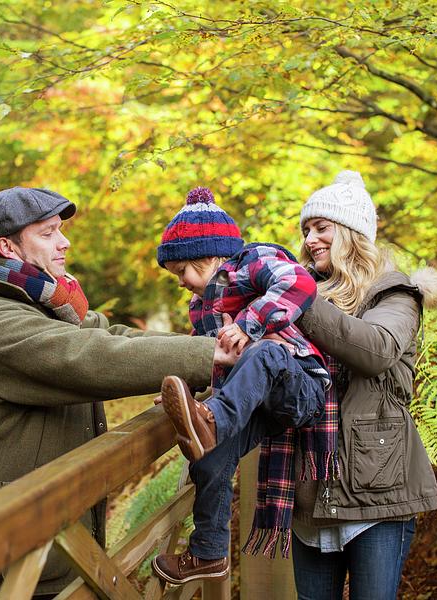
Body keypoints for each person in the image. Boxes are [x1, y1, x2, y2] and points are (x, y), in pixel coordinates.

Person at [0, 186, 230, 600]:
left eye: (61, 230)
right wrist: (215, 353)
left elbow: (112, 335)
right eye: (49, 232)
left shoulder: (49, 302)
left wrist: (209, 351)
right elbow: (92, 355)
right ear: (8, 247)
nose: (64, 241)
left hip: (41, 546)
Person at [149, 186, 338, 585]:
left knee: (263, 354)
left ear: (209, 257)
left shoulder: (250, 262)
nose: (180, 282)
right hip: (256, 405)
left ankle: (211, 424)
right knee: (210, 458)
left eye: (181, 271)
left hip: (300, 386)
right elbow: (213, 364)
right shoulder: (200, 307)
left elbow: (299, 283)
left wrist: (250, 323)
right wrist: (181, 394)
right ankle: (208, 552)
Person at [288, 170, 437, 600]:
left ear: (353, 234)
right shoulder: (302, 295)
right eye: (306, 230)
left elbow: (375, 350)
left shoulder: (395, 295)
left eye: (321, 228)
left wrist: (299, 301)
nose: (310, 239)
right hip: (311, 490)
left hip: (379, 489)